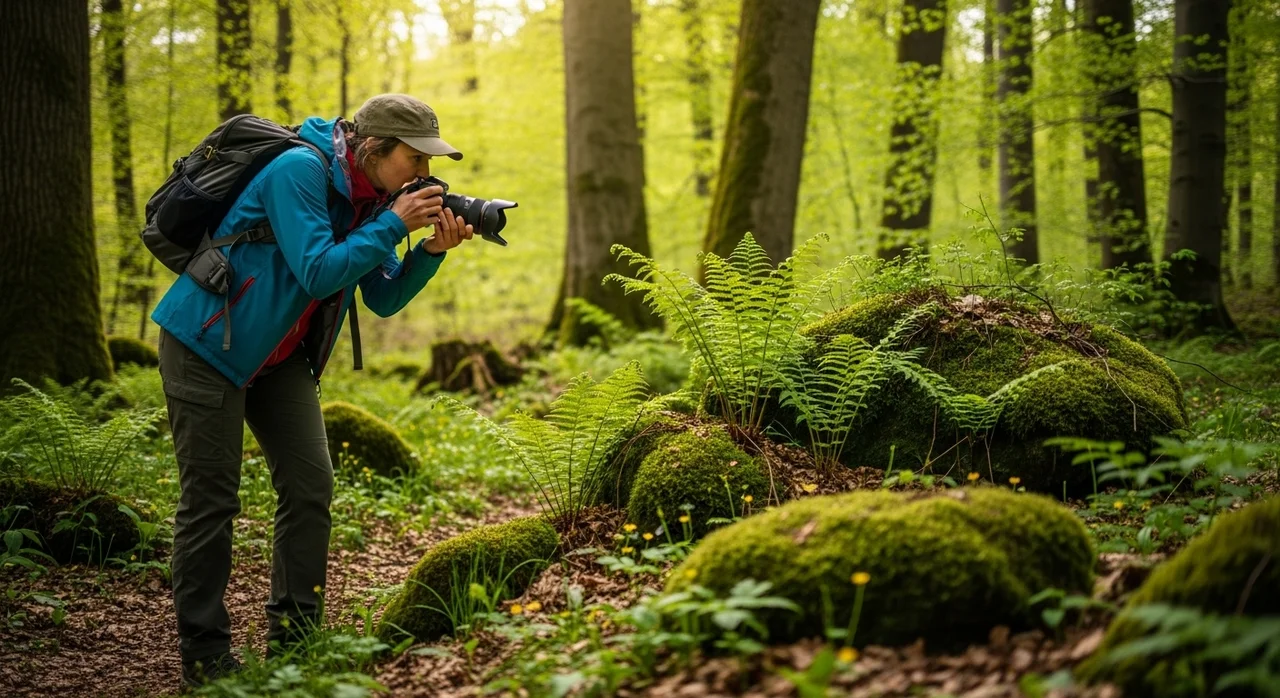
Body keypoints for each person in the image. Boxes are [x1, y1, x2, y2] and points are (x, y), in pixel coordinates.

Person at [150, 94, 473, 687]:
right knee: (212, 501)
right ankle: (205, 655)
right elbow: (319, 270)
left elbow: (380, 297)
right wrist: (393, 224)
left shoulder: (372, 197)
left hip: (278, 360)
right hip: (206, 344)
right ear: (373, 148)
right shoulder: (298, 170)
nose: (425, 175)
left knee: (310, 486)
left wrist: (428, 251)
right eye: (415, 159)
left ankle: (295, 641)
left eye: (429, 162)